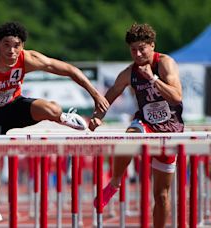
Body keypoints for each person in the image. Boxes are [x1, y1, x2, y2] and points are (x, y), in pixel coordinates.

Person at [0, 21, 109, 226]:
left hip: (15, 107)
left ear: (22, 46)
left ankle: (62, 118)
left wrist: (95, 95)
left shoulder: (29, 58)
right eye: (6, 45)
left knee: (53, 108)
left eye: (16, 45)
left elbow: (69, 70)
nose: (11, 51)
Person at [90, 23, 184, 228]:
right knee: (129, 137)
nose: (138, 53)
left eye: (142, 48)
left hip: (170, 127)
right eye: (133, 50)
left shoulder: (166, 63)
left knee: (161, 195)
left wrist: (154, 79)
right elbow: (110, 95)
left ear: (152, 45)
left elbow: (177, 97)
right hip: (146, 122)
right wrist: (97, 117)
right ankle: (115, 182)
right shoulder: (128, 73)